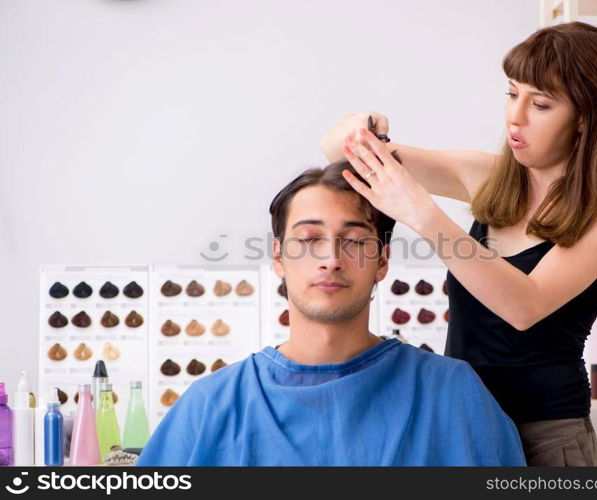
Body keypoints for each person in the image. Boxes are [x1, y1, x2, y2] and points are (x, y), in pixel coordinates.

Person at [319, 22, 597, 466]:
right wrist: (361, 129)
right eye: (512, 94)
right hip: (463, 426)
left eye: (541, 104)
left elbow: (523, 306)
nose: (516, 116)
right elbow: (339, 152)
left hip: (548, 438)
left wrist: (423, 215)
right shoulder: (489, 178)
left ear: (586, 117)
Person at [137, 158, 525, 466]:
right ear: (279, 258)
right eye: (308, 239)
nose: (331, 259)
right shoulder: (211, 406)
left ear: (383, 261)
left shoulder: (450, 394)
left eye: (355, 240)